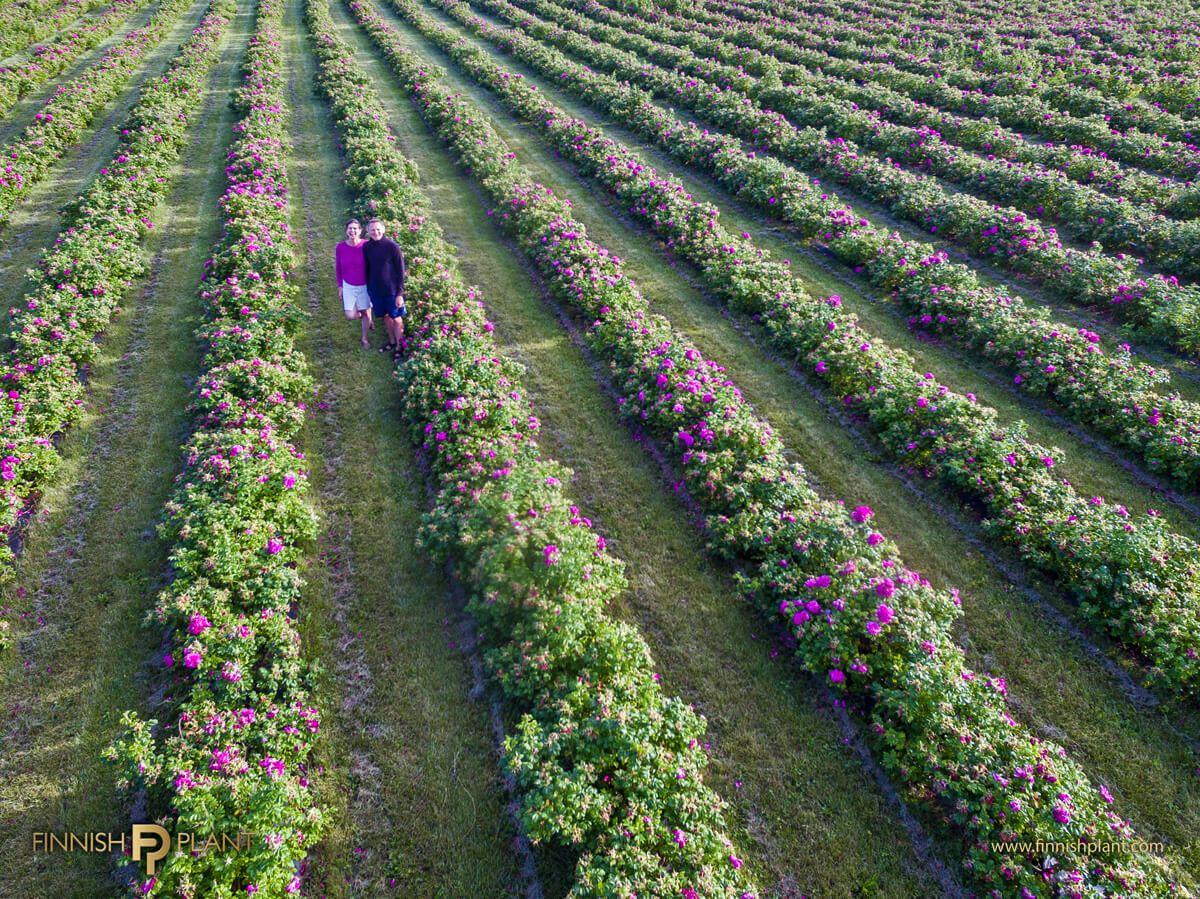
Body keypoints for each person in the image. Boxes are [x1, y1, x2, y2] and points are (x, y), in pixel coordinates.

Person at [362, 218, 408, 359]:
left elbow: (401, 271)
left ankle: (400, 347)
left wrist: (400, 293)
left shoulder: (392, 247)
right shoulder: (367, 247)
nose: (376, 232)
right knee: (386, 317)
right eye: (372, 230)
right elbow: (367, 269)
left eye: (378, 229)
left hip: (392, 291)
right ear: (368, 232)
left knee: (397, 318)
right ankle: (392, 342)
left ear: (383, 229)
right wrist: (369, 291)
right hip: (376, 291)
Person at [335, 219, 372, 348]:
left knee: (366, 314)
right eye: (350, 228)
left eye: (355, 228)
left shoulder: (366, 246)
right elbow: (338, 268)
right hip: (348, 285)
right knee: (351, 315)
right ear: (346, 231)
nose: (352, 231)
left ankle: (364, 338)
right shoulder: (340, 247)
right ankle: (365, 313)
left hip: (365, 285)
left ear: (360, 231)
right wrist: (340, 287)